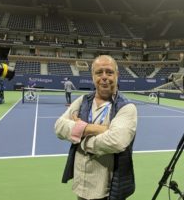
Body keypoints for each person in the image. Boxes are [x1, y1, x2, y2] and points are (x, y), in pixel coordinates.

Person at [55, 55, 137, 200]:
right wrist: (96, 129)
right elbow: (59, 126)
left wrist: (81, 139)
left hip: (109, 190)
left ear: (117, 75)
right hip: (81, 186)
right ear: (93, 76)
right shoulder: (83, 101)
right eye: (99, 72)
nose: (104, 77)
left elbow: (115, 141)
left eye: (109, 72)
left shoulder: (127, 107)